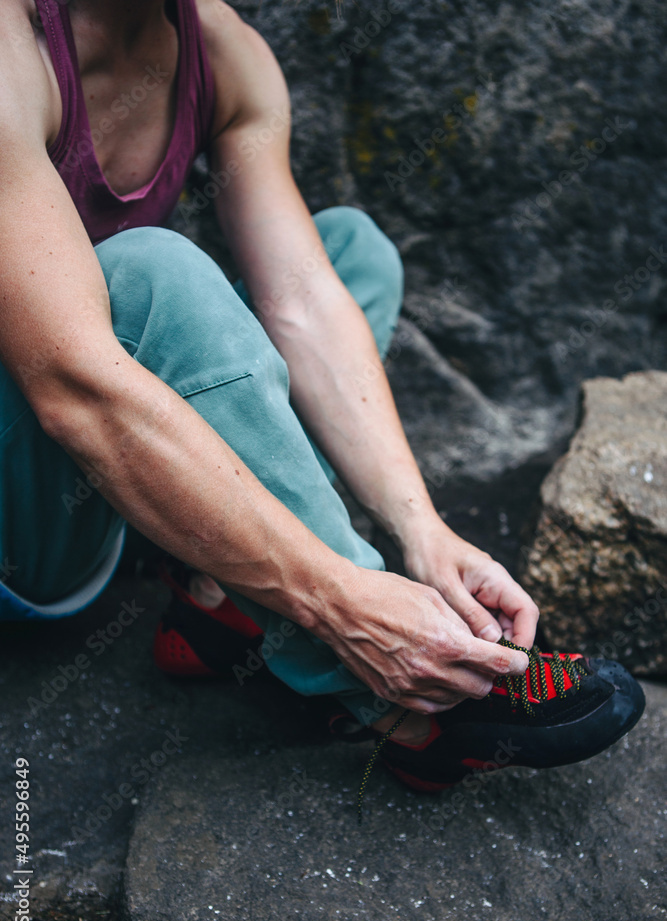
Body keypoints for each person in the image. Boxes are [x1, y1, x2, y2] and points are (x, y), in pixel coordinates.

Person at [0, 0, 643, 791]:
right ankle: (389, 694)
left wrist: (422, 529)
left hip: (124, 485)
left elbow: (301, 302)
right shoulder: (13, 50)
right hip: (24, 526)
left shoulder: (220, 51)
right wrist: (341, 599)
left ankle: (222, 601)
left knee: (351, 253)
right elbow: (71, 384)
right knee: (153, 274)